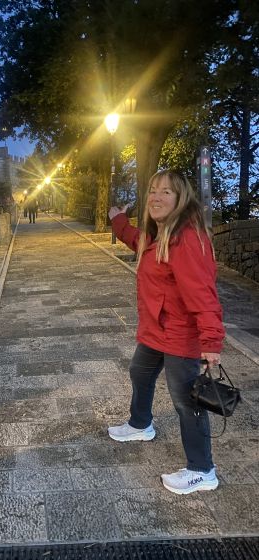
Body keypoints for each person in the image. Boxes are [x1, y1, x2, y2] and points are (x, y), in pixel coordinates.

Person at [107, 169, 225, 495]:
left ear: (180, 199)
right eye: (153, 191)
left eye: (166, 193)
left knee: (187, 401)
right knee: (140, 372)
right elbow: (134, 239)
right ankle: (140, 424)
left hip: (180, 334)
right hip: (157, 330)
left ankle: (203, 470)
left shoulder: (186, 239)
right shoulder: (157, 235)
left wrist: (211, 341)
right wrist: (118, 219)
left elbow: (203, 294)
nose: (157, 198)